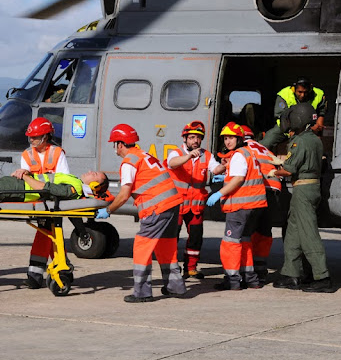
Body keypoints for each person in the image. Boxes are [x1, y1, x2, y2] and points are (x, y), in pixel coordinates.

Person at [96, 124, 187, 303]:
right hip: (172, 204)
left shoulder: (129, 161)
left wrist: (108, 210)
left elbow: (123, 195)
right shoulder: (144, 155)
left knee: (141, 247)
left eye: (114, 143)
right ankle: (175, 286)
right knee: (166, 246)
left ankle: (142, 292)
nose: (114, 147)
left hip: (156, 207)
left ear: (120, 144)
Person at [270, 103, 333, 293]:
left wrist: (274, 171)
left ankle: (322, 277)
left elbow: (289, 169)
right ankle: (292, 273)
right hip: (310, 188)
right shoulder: (314, 139)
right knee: (293, 232)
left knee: (308, 234)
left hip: (303, 190)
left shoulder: (298, 141)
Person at [206, 122, 267, 290]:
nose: (227, 141)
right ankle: (251, 278)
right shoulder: (248, 153)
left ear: (239, 138)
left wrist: (220, 193)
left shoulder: (239, 155)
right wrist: (225, 177)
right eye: (225, 138)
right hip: (254, 205)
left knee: (230, 242)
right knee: (245, 241)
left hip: (240, 206)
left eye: (231, 138)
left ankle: (232, 280)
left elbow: (239, 179)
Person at [12, 117, 70, 289]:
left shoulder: (58, 153)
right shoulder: (26, 155)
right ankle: (63, 269)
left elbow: (63, 178)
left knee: (46, 232)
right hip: (37, 200)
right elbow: (26, 180)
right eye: (30, 137)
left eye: (35, 137)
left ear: (45, 137)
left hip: (54, 199)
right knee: (50, 232)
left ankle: (37, 275)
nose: (31, 140)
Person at [165, 120, 225, 279]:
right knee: (172, 238)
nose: (195, 141)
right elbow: (172, 164)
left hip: (196, 205)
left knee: (196, 238)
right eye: (192, 137)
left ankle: (191, 268)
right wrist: (188, 156)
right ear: (184, 139)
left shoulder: (207, 155)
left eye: (198, 138)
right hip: (177, 204)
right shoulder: (176, 153)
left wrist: (225, 165)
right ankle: (171, 268)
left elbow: (216, 169)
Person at [241, 125, 283, 283]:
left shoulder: (243, 149)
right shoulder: (264, 149)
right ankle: (260, 268)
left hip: (258, 190)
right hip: (274, 191)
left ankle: (247, 269)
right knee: (264, 231)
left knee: (248, 230)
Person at [260, 77, 326, 150]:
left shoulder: (318, 94)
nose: (302, 95)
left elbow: (321, 113)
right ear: (294, 89)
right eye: (300, 92)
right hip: (285, 127)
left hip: (309, 129)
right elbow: (281, 116)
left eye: (305, 92)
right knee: (266, 142)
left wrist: (318, 127)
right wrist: (290, 131)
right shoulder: (284, 95)